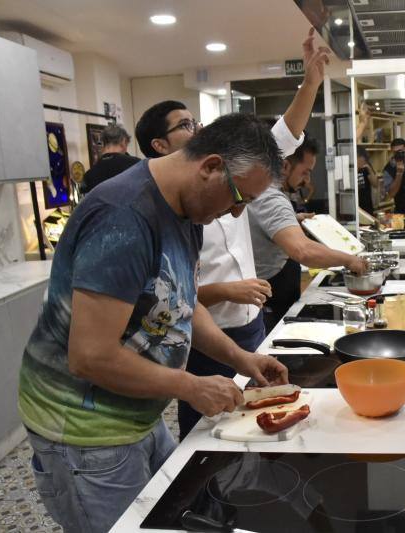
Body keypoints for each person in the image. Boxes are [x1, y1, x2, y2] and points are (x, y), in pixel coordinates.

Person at [17, 113, 290, 533]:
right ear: (210, 166)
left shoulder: (186, 212)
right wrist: (190, 386)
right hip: (86, 432)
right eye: (239, 198)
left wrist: (241, 358)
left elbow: (183, 303)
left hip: (137, 414)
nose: (236, 214)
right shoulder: (123, 217)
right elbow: (90, 357)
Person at [136, 28, 328, 440]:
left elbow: (282, 138)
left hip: (246, 327)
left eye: (194, 121)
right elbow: (162, 307)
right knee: (207, 434)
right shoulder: (154, 212)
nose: (195, 128)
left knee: (250, 427)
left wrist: (311, 83)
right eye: (184, 125)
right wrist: (226, 291)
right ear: (159, 145)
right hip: (204, 338)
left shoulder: (231, 173)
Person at [249, 138, 368, 332]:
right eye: (305, 172)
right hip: (269, 296)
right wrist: (349, 260)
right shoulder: (271, 198)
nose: (307, 181)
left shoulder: (267, 193)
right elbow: (303, 251)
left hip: (277, 289)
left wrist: (292, 220)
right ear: (285, 166)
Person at [80, 124, 139, 194]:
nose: (126, 150)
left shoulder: (88, 175)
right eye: (126, 145)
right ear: (123, 142)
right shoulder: (136, 165)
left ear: (104, 143)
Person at [356, 146, 379, 213]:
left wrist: (369, 169)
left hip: (367, 206)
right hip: (355, 206)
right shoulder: (350, 168)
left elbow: (375, 184)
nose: (363, 161)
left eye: (365, 159)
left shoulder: (366, 166)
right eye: (361, 159)